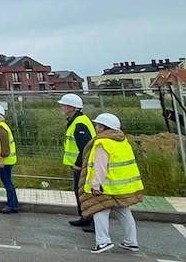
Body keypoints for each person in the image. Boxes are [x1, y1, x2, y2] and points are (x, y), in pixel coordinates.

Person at [80, 112, 144, 253]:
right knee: (125, 213)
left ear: (104, 128)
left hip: (107, 186)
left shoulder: (102, 143)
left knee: (99, 211)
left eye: (98, 125)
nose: (96, 127)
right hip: (123, 186)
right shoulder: (122, 141)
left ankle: (103, 242)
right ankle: (131, 242)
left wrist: (96, 185)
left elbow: (100, 167)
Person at [58, 93, 96, 228]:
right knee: (79, 191)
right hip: (79, 165)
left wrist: (78, 164)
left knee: (85, 193)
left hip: (81, 166)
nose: (61, 107)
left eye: (63, 105)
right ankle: (85, 217)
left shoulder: (79, 124)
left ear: (70, 107)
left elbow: (85, 147)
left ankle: (92, 221)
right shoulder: (76, 120)